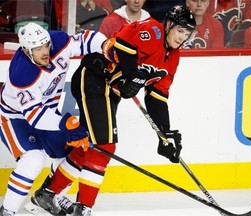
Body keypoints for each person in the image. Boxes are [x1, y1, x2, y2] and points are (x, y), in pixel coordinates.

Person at [31, 5, 196, 216]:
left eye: (187, 33)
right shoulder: (153, 31)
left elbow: (157, 95)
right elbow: (125, 42)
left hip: (110, 91)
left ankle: (47, 193)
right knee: (105, 145)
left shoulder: (173, 57)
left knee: (92, 146)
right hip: (93, 79)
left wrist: (164, 133)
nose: (182, 37)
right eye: (180, 30)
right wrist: (131, 74)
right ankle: (83, 209)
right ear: (170, 25)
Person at [0, 22, 107, 216]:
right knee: (33, 159)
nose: (45, 52)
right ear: (26, 50)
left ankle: (49, 196)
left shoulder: (57, 42)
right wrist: (65, 123)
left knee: (73, 152)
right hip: (14, 118)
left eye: (45, 45)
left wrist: (107, 46)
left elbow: (87, 40)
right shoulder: (22, 74)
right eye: (37, 48)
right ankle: (8, 210)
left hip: (46, 113)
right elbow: (34, 116)